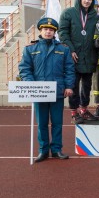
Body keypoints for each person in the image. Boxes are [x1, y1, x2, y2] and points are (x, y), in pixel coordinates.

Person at [19, 18, 75, 163]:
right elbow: (25, 70)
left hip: (57, 91)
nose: (48, 31)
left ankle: (56, 150)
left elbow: (69, 69)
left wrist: (69, 86)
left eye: (51, 30)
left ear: (55, 32)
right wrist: (32, 86)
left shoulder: (63, 49)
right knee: (42, 123)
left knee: (57, 123)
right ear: (40, 31)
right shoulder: (30, 49)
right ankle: (43, 151)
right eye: (45, 29)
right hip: (40, 92)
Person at [58, 0, 99, 124]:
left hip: (89, 56)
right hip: (74, 56)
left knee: (87, 86)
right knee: (74, 85)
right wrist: (70, 49)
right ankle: (74, 112)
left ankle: (84, 109)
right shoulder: (69, 13)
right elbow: (63, 32)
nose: (87, 1)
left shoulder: (95, 15)